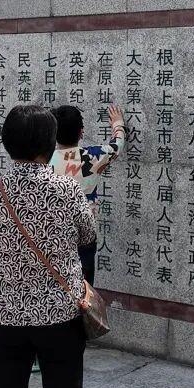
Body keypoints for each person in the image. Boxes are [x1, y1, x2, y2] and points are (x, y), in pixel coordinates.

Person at [0, 104, 96, 388]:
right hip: (59, 314)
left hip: (6, 313)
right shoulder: (67, 189)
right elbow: (88, 236)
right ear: (48, 144)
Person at [50, 105, 125, 285]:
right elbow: (117, 145)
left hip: (52, 238)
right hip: (84, 240)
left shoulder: (45, 161)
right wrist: (118, 125)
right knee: (83, 293)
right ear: (81, 132)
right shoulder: (90, 157)